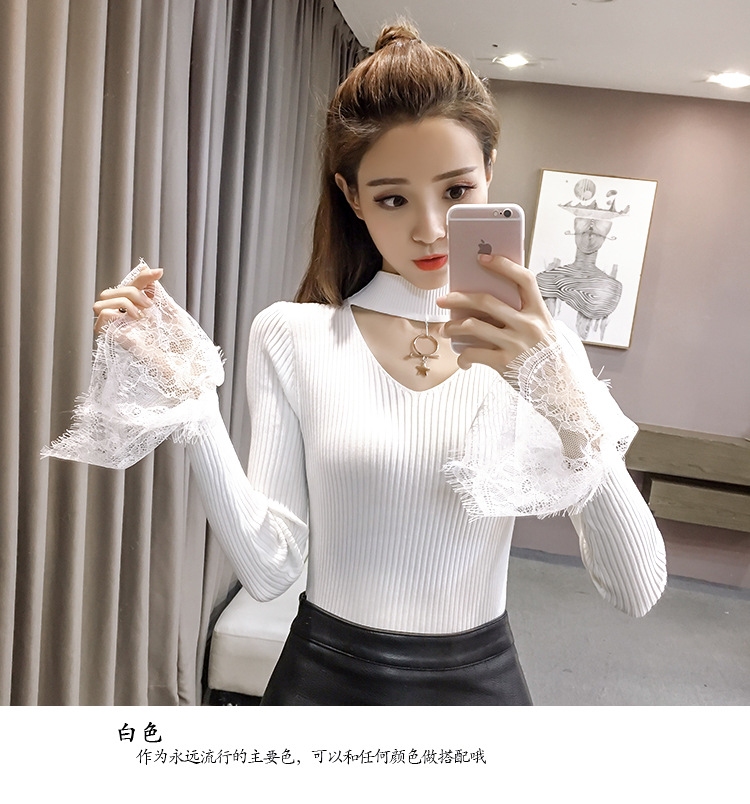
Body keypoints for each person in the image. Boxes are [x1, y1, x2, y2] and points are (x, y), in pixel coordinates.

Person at [67, 22, 667, 705]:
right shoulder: (292, 335)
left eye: (456, 191)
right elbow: (269, 569)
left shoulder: (541, 349)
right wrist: (193, 406)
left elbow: (638, 588)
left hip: (479, 690)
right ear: (352, 197)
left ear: (489, 172)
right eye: (392, 198)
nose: (430, 228)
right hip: (323, 681)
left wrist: (561, 394)